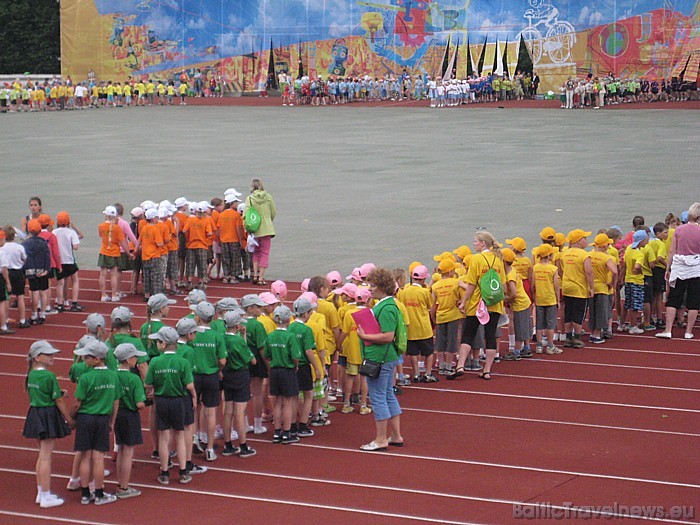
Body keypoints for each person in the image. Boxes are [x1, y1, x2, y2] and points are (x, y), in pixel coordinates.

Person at [356, 267, 403, 451]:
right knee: (388, 394)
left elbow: (388, 335)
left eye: (373, 285)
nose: (370, 289)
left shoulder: (386, 308)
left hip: (380, 357)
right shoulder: (388, 305)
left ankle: (381, 438)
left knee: (378, 397)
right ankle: (396, 435)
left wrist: (364, 336)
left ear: (383, 286)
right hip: (386, 356)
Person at [23, 340, 73, 508]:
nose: (53, 357)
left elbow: (44, 393)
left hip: (35, 413)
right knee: (46, 456)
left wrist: (58, 392)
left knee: (41, 455)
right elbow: (57, 400)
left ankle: (41, 492)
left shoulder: (31, 374)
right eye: (48, 354)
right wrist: (68, 418)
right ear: (37, 357)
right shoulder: (49, 376)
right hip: (47, 414)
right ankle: (45, 495)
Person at [70, 340, 120, 505]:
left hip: (85, 418)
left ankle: (85, 494)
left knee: (85, 456)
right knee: (98, 458)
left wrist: (71, 417)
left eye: (87, 357)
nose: (84, 359)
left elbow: (77, 402)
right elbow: (115, 401)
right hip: (102, 419)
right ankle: (99, 493)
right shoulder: (113, 376)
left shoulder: (85, 377)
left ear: (97, 359)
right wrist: (112, 421)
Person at [452, 232, 507, 380]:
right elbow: (502, 283)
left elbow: (471, 284)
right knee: (490, 335)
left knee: (468, 333)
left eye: (476, 241)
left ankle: (460, 365)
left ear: (483, 243)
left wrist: (464, 301)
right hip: (494, 303)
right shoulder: (498, 259)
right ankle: (487, 370)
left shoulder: (477, 259)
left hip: (477, 303)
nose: (474, 243)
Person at [146, 326, 197, 485]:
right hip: (179, 401)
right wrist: (194, 396)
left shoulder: (155, 361)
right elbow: (189, 385)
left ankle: (164, 472)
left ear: (163, 344)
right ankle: (183, 472)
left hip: (161, 401)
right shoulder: (182, 362)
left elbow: (148, 383)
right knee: (179, 436)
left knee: (164, 437)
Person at [657, 202, 700, 339]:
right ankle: (688, 331)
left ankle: (668, 330)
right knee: (694, 301)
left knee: (674, 298)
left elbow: (672, 250)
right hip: (696, 267)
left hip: (680, 267)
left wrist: (668, 268)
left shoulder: (679, 230)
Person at [113, 343, 147, 499]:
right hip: (130, 416)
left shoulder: (113, 375)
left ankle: (120, 484)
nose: (137, 359)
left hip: (117, 415)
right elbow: (140, 404)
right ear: (128, 359)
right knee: (128, 452)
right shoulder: (134, 379)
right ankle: (124, 487)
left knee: (120, 449)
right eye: (134, 357)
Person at [221, 311, 257, 457]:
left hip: (227, 375)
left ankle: (228, 444)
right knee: (240, 412)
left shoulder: (222, 338)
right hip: (240, 375)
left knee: (228, 411)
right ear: (237, 325)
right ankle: (243, 446)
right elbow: (252, 360)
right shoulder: (238, 341)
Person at [265, 305, 302, 444]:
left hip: (275, 371)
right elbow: (295, 357)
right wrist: (295, 366)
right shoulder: (290, 337)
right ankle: (286, 433)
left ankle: (276, 432)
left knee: (277, 403)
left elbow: (267, 355)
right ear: (288, 319)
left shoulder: (271, 336)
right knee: (287, 403)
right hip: (287, 371)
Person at [397, 264, 437, 382]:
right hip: (424, 327)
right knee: (429, 352)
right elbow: (431, 306)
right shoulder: (424, 292)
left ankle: (416, 373)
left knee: (413, 353)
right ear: (424, 279)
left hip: (410, 327)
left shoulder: (404, 291)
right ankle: (428, 373)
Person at [560, 229, 594, 347]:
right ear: (579, 241)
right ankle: (578, 338)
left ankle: (568, 337)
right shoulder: (585, 255)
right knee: (579, 313)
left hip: (567, 287)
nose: (587, 241)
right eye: (585, 238)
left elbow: (560, 270)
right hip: (579, 288)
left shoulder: (564, 253)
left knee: (568, 312)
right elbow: (588, 272)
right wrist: (591, 287)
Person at [245, 179, 276, 285]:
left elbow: (246, 214)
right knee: (265, 252)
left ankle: (255, 274)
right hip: (267, 228)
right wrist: (268, 220)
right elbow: (273, 212)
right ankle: (261, 277)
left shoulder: (249, 199)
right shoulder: (268, 197)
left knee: (256, 252)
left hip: (255, 228)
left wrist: (248, 227)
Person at [98, 206, 132, 302]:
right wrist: (129, 253)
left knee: (103, 274)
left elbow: (101, 235)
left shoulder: (101, 226)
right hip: (114, 252)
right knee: (114, 274)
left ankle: (103, 295)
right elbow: (122, 242)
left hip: (104, 251)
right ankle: (114, 294)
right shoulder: (117, 228)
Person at [52, 211, 83, 312]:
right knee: (75, 280)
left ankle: (60, 303)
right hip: (69, 260)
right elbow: (76, 247)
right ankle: (74, 302)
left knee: (60, 283)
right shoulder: (71, 232)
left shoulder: (54, 232)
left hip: (59, 261)